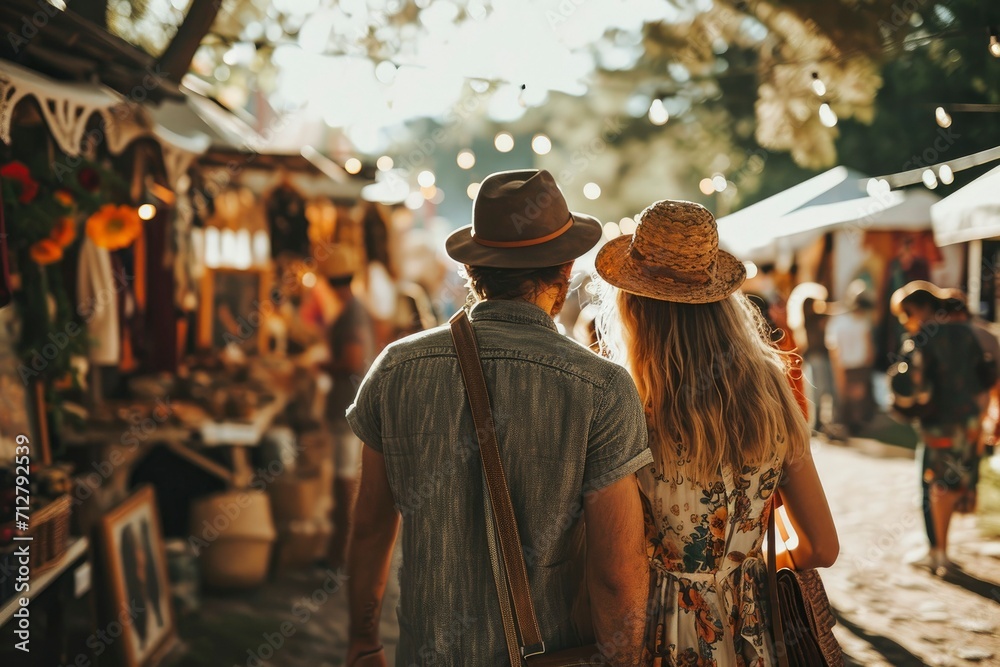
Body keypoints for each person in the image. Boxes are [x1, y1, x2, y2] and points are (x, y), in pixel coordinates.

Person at [345, 170, 652, 666]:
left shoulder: (395, 368)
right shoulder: (603, 389)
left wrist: (363, 641)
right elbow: (617, 575)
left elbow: (370, 527)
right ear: (567, 268)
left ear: (473, 270)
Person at [595, 200, 839, 666]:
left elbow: (612, 567)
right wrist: (741, 570)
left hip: (659, 635)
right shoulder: (771, 391)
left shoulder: (626, 404)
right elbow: (822, 547)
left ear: (632, 307)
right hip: (757, 632)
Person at [889, 281, 990, 574]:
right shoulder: (965, 333)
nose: (905, 321)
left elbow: (912, 388)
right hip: (968, 420)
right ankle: (939, 548)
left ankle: (939, 552)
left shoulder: (923, 338)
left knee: (937, 485)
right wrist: (981, 420)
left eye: (905, 314)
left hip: (940, 424)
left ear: (920, 309)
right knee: (952, 482)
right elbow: (984, 379)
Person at [320, 244, 376, 570]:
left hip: (345, 409)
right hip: (347, 406)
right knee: (345, 481)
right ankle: (341, 548)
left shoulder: (352, 312)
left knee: (344, 483)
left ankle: (342, 551)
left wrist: (323, 366)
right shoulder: (355, 308)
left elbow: (352, 361)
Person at [825, 280, 877, 436]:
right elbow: (869, 349)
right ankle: (853, 426)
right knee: (855, 400)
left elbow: (834, 348)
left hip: (849, 365)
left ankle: (850, 426)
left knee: (850, 398)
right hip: (853, 365)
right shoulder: (857, 322)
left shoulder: (838, 322)